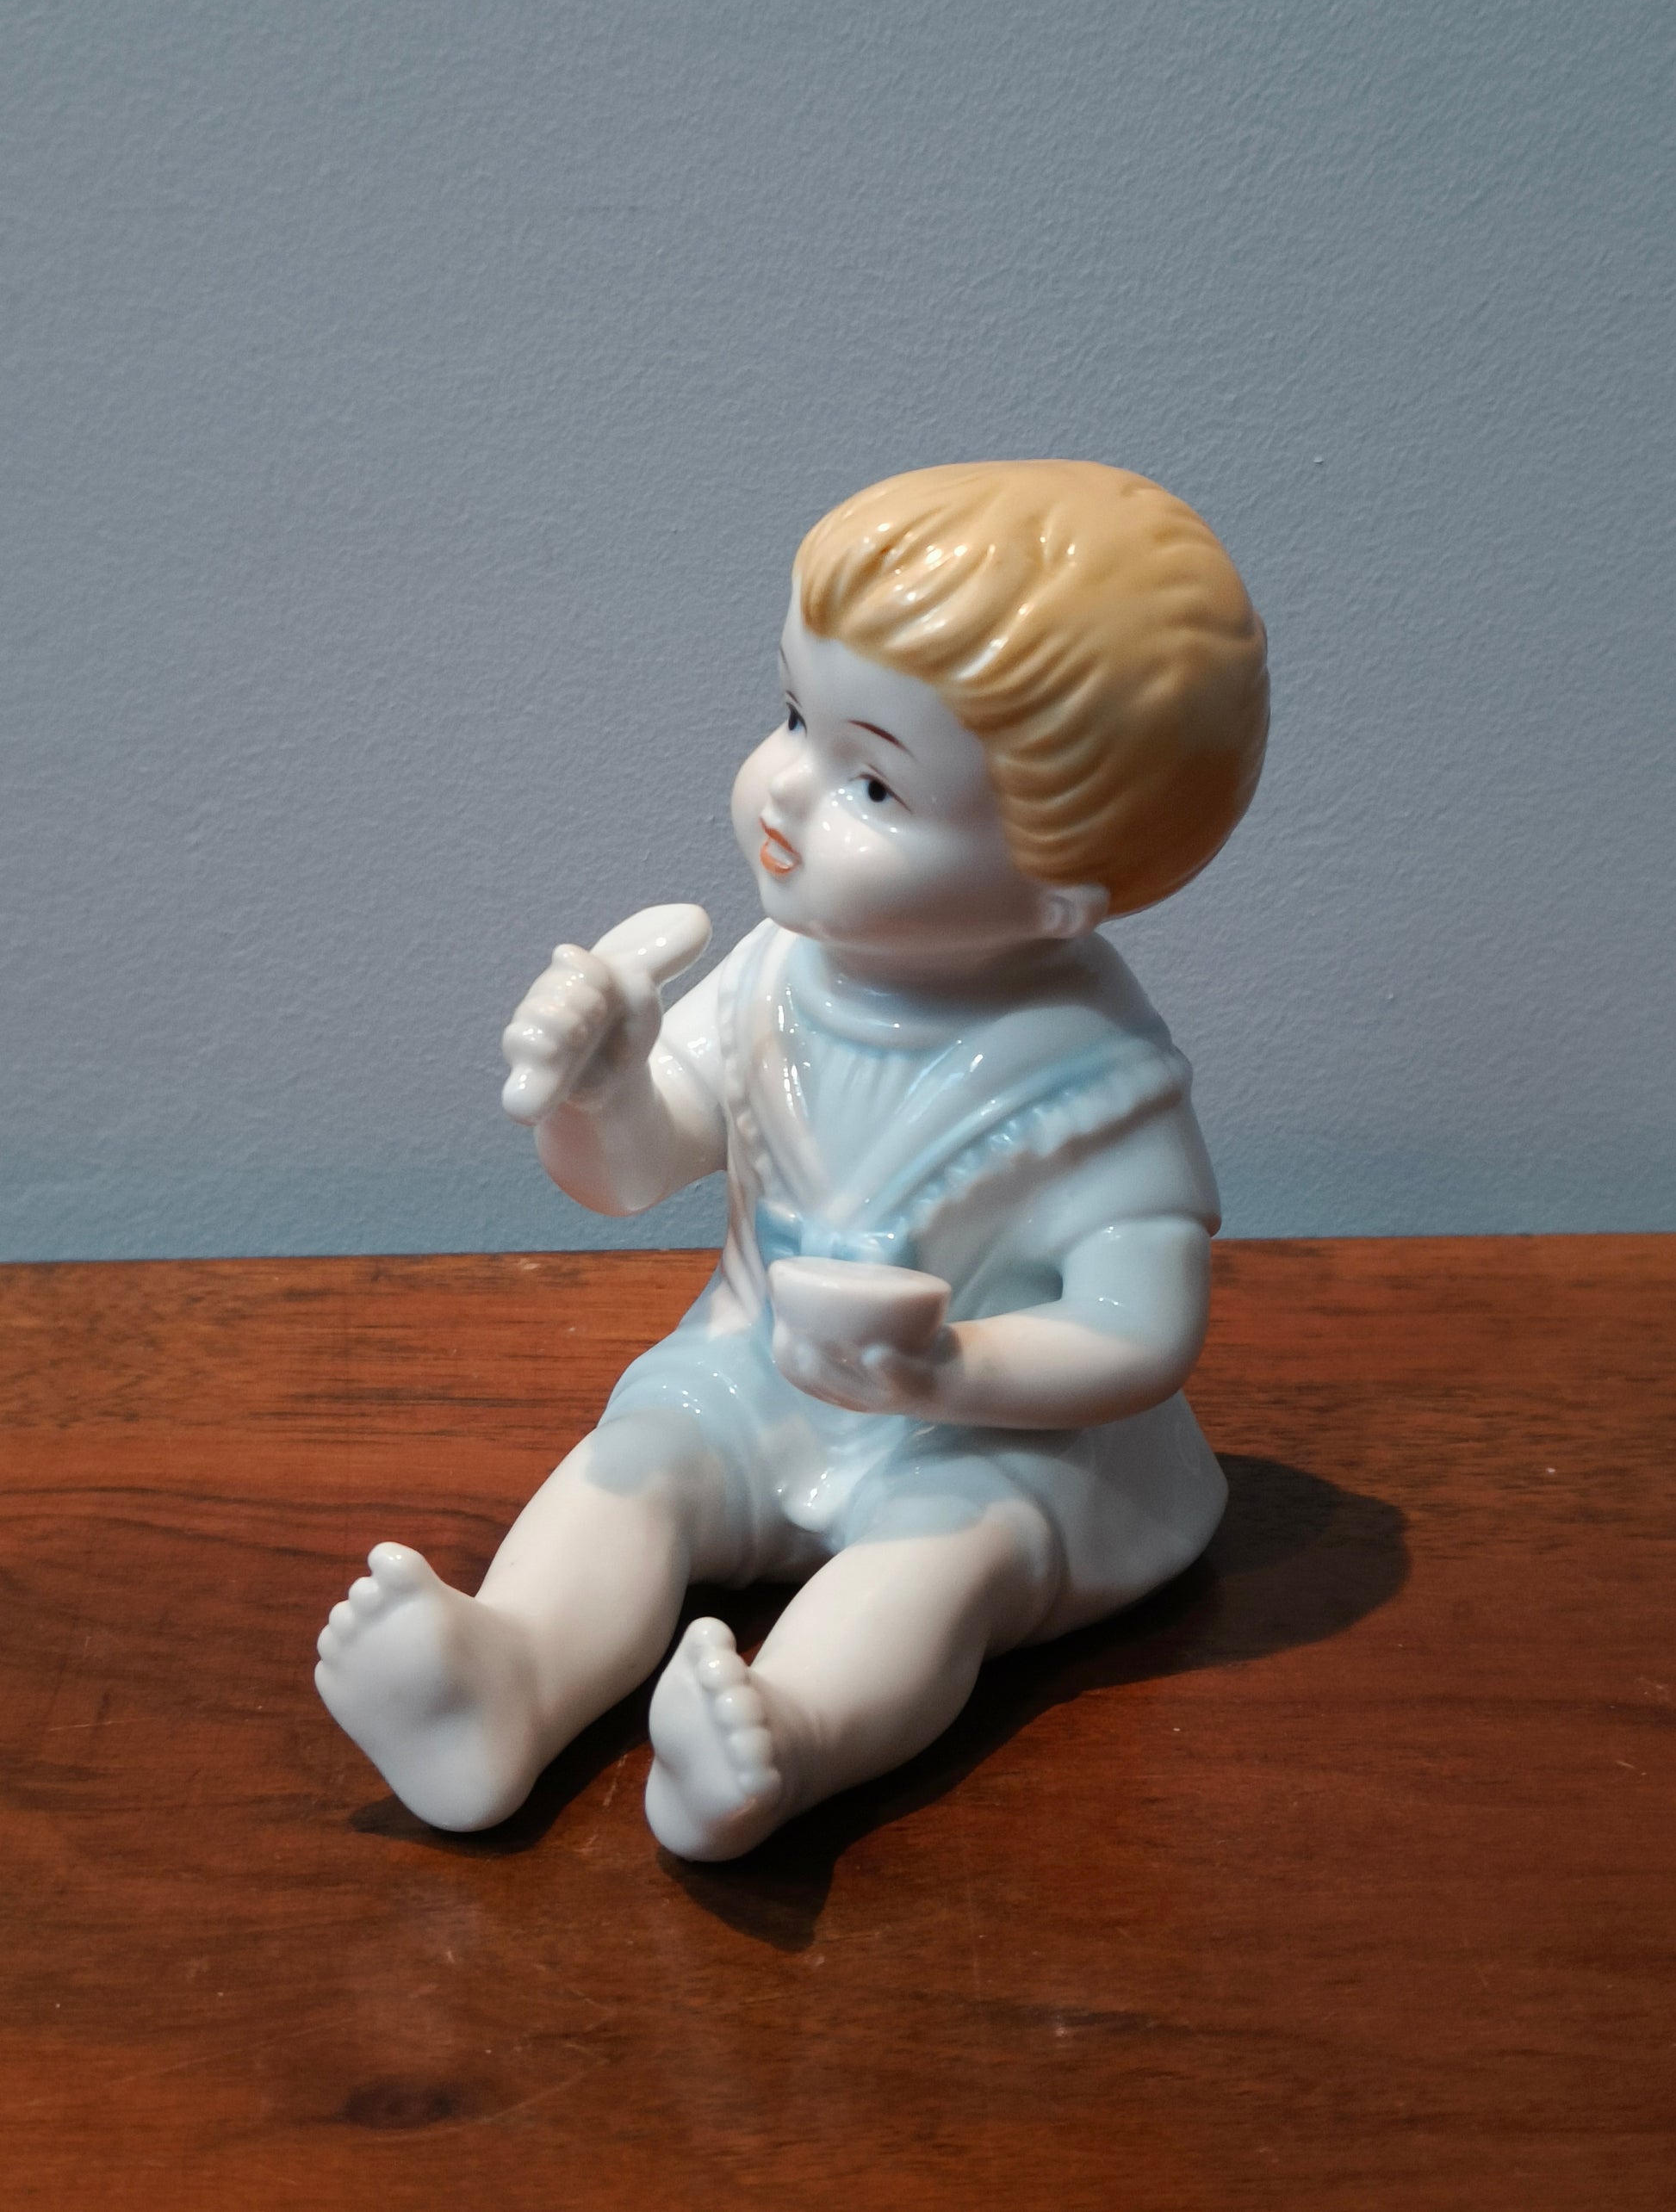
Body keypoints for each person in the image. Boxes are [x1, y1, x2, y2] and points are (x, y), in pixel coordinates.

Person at [315, 459, 1269, 1861]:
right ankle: (507, 1678)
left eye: (872, 782)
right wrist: (597, 1087)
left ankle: (785, 1740)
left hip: (997, 1442)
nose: (784, 788)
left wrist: (949, 1372)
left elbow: (1141, 1332)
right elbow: (633, 1171)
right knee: (640, 1460)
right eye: (790, 718)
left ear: (1059, 894)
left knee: (940, 1562)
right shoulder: (778, 974)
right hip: (757, 1378)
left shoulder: (1096, 1081)